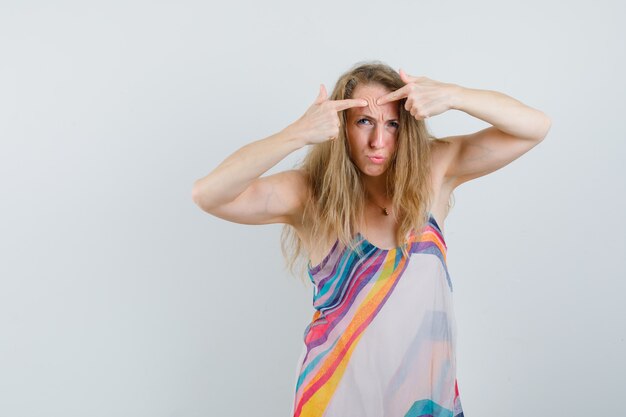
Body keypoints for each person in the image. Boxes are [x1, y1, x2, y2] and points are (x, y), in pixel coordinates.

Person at [192, 61, 551, 417]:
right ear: (340, 127)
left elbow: (535, 127)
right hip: (335, 401)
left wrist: (455, 96)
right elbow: (208, 194)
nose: (378, 140)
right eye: (364, 121)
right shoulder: (310, 195)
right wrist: (297, 133)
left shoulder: (434, 171)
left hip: (425, 401)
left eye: (392, 124)